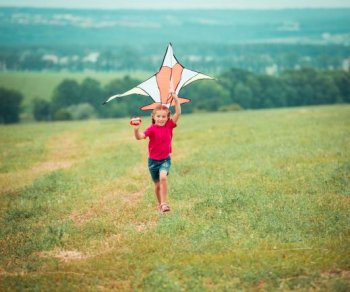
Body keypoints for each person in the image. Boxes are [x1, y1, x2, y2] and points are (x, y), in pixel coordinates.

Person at [133, 93, 181, 213]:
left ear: (167, 117)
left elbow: (178, 113)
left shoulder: (170, 125)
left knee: (163, 177)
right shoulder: (151, 129)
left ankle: (164, 203)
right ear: (154, 117)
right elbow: (140, 137)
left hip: (165, 159)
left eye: (164, 116)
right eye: (158, 116)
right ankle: (161, 205)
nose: (161, 119)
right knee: (158, 185)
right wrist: (136, 129)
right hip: (153, 162)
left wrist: (175, 99)